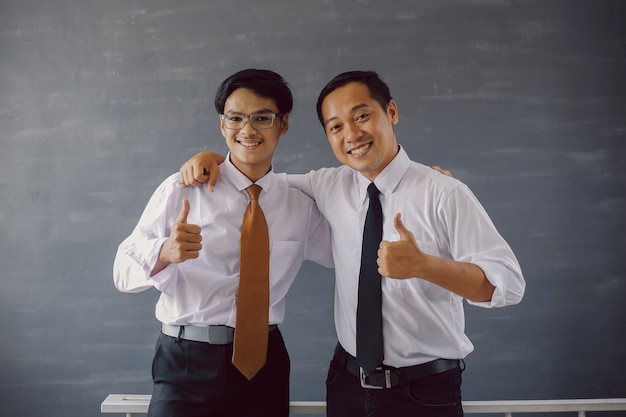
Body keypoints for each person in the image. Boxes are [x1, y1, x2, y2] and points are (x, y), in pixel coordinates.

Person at [180, 70, 525, 417]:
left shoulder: (444, 193)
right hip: (347, 384)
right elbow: (254, 175)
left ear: (391, 112)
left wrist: (425, 265)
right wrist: (212, 158)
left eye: (361, 116)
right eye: (336, 126)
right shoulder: (329, 185)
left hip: (424, 391)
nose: (352, 134)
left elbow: (507, 285)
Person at [113, 68, 334, 417]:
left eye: (262, 118)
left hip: (264, 363)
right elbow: (122, 271)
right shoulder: (182, 189)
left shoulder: (301, 206)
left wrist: (420, 186)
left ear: (284, 124)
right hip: (185, 360)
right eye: (235, 118)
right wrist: (164, 252)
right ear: (222, 125)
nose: (247, 130)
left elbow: (353, 249)